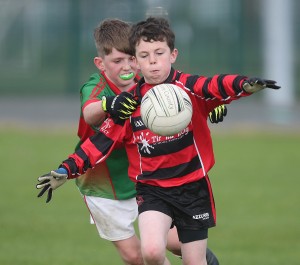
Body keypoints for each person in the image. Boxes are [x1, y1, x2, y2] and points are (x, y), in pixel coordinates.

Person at [36, 18, 226, 265]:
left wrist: (206, 108)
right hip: (103, 183)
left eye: (131, 59)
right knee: (137, 256)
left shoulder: (146, 84)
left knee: (174, 243)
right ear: (100, 64)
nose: (127, 67)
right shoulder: (96, 87)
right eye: (117, 61)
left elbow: (184, 99)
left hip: (146, 181)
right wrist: (108, 104)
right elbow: (90, 112)